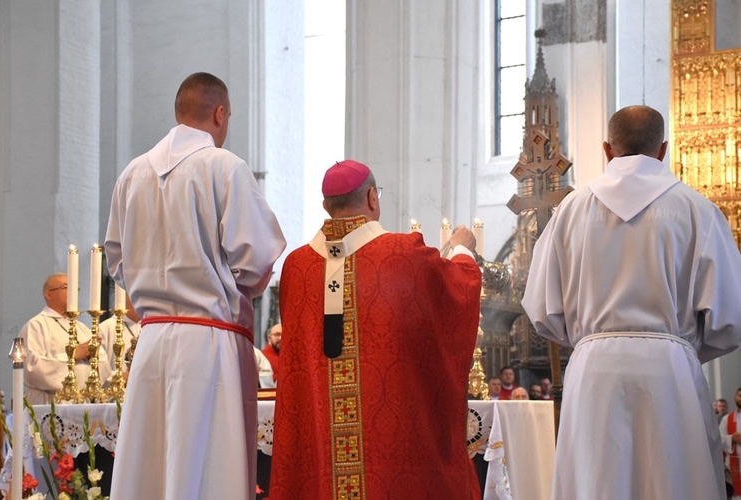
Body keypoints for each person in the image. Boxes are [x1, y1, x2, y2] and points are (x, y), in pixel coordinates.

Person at [522, 105, 741, 500]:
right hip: (671, 373)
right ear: (663, 150)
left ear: (607, 149)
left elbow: (540, 308)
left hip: (594, 372)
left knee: (595, 483)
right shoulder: (698, 210)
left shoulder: (571, 210)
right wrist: (681, 348)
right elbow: (730, 319)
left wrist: (588, 340)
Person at [104, 72, 286, 499]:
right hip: (210, 342)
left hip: (150, 344)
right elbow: (258, 259)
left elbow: (117, 261)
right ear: (220, 114)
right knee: (208, 471)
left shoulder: (132, 174)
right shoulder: (224, 167)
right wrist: (235, 285)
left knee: (150, 470)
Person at [269, 160, 482, 499]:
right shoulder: (403, 253)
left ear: (326, 206)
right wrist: (461, 248)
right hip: (393, 461)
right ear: (372, 198)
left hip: (321, 459)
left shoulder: (296, 267)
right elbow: (460, 290)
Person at [19, 274, 111, 404]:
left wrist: (94, 358)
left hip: (81, 402)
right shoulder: (36, 326)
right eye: (66, 287)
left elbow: (104, 367)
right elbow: (32, 369)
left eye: (76, 288)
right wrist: (73, 355)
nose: (73, 292)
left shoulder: (82, 328)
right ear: (49, 295)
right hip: (49, 402)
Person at [99, 293, 141, 375]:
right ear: (124, 297)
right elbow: (98, 366)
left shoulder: (149, 328)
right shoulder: (105, 328)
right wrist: (121, 377)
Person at [720, 388, 741, 499]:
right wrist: (732, 439)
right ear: (735, 398)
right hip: (733, 463)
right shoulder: (726, 419)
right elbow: (719, 439)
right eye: (739, 395)